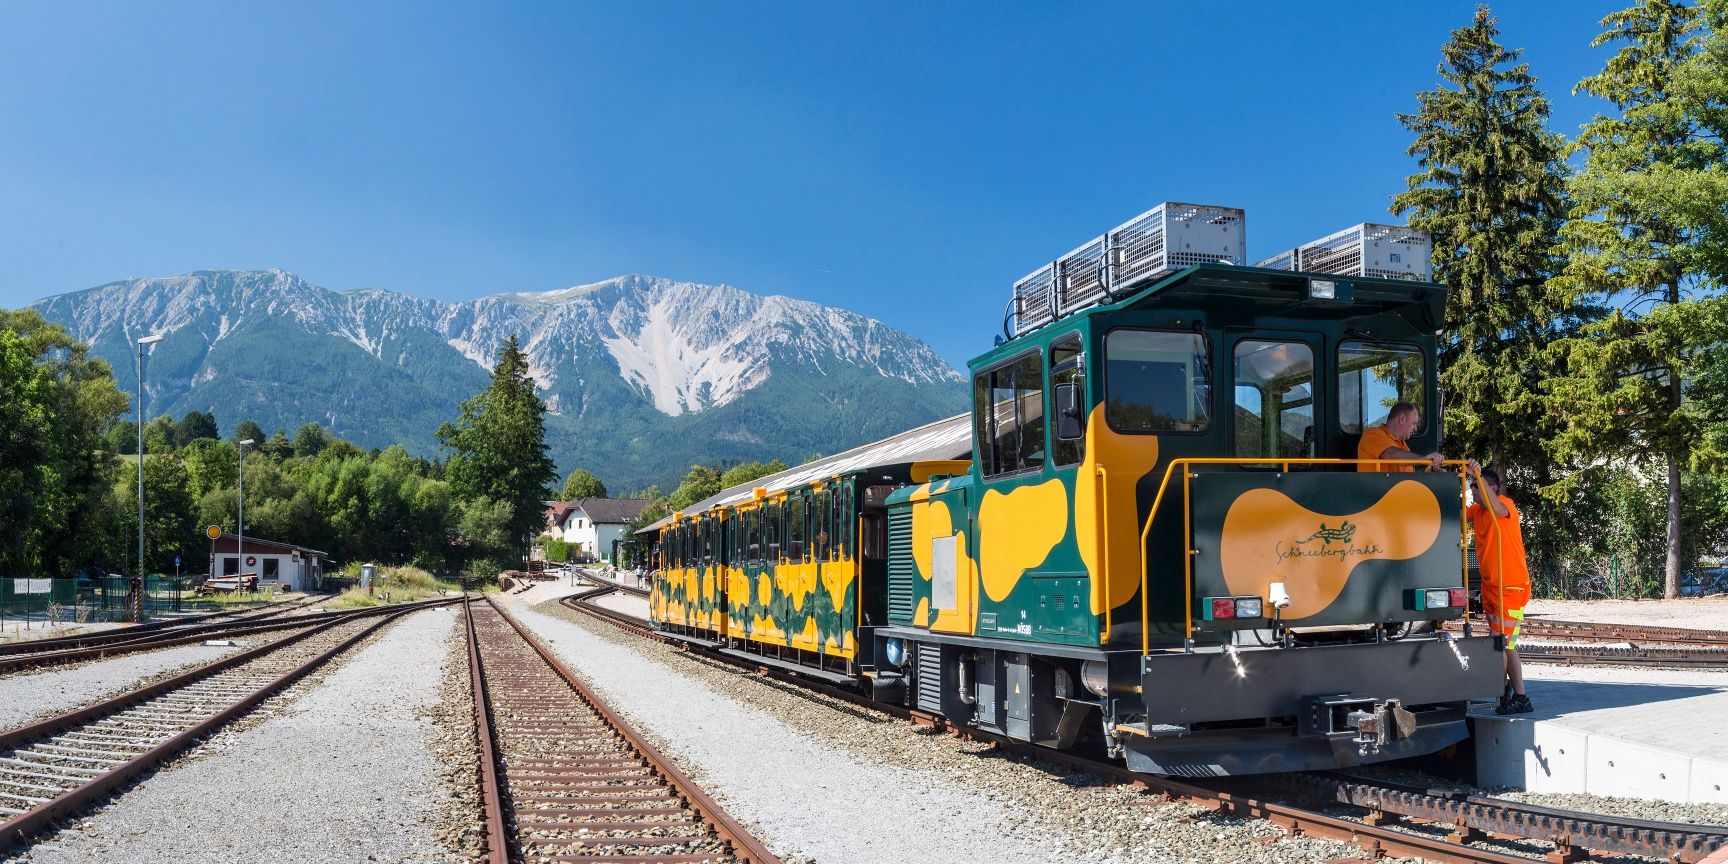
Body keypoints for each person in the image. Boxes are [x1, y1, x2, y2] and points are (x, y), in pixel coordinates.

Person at [1466, 460, 1533, 715]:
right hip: (1493, 587)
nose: (1473, 490)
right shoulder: (1478, 511)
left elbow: (1496, 507)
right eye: (1472, 486)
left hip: (1511, 588)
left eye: (1478, 486)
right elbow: (1456, 513)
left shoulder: (1506, 505)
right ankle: (1516, 696)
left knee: (1500, 644)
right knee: (1506, 645)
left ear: (1493, 488)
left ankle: (1508, 693)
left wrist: (1477, 473)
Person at [1356, 402, 1445, 472]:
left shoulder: (1404, 447)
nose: (1415, 429)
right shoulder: (1372, 434)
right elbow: (1390, 454)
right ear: (1402, 419)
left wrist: (1431, 471)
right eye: (1414, 423)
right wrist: (1423, 459)